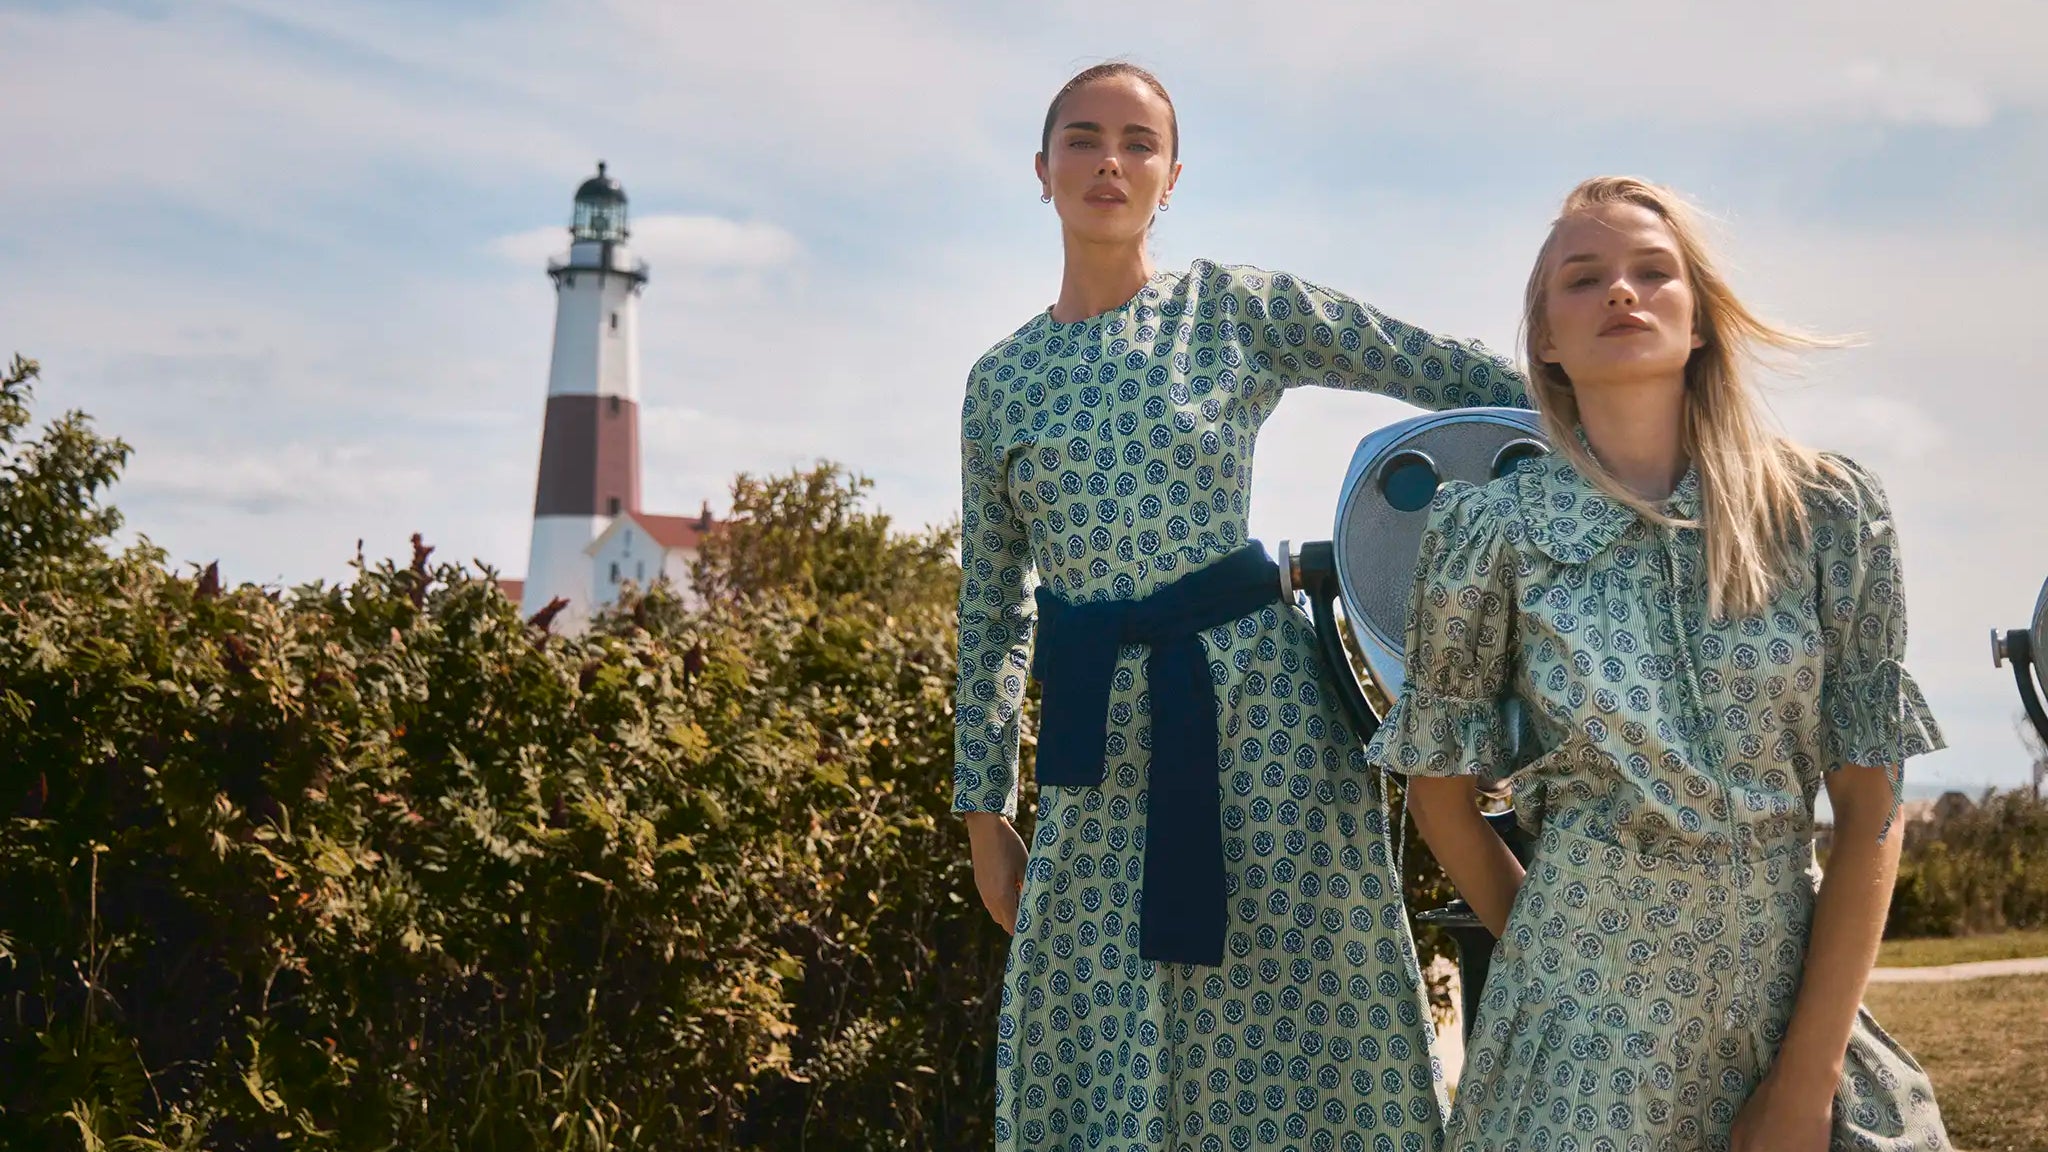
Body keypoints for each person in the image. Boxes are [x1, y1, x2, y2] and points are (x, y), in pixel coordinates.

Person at [952, 60, 1531, 1152]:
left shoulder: (1234, 308)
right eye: (1081, 138)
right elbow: (990, 607)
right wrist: (987, 817)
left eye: (1137, 142)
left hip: (1261, 720)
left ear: (1171, 178)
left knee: (1304, 1009)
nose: (1108, 161)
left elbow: (1430, 365)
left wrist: (1598, 409)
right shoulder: (1001, 379)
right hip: (1096, 750)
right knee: (1105, 1029)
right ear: (1041, 170)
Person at [1367, 175, 1950, 1151]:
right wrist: (1551, 964)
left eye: (1652, 272)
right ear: (1543, 339)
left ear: (1698, 321)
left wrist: (1804, 1082)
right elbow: (1438, 797)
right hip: (1567, 1047)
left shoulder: (1823, 514)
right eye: (1581, 278)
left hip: (1785, 1005)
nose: (1619, 294)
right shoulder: (1486, 534)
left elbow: (1867, 810)